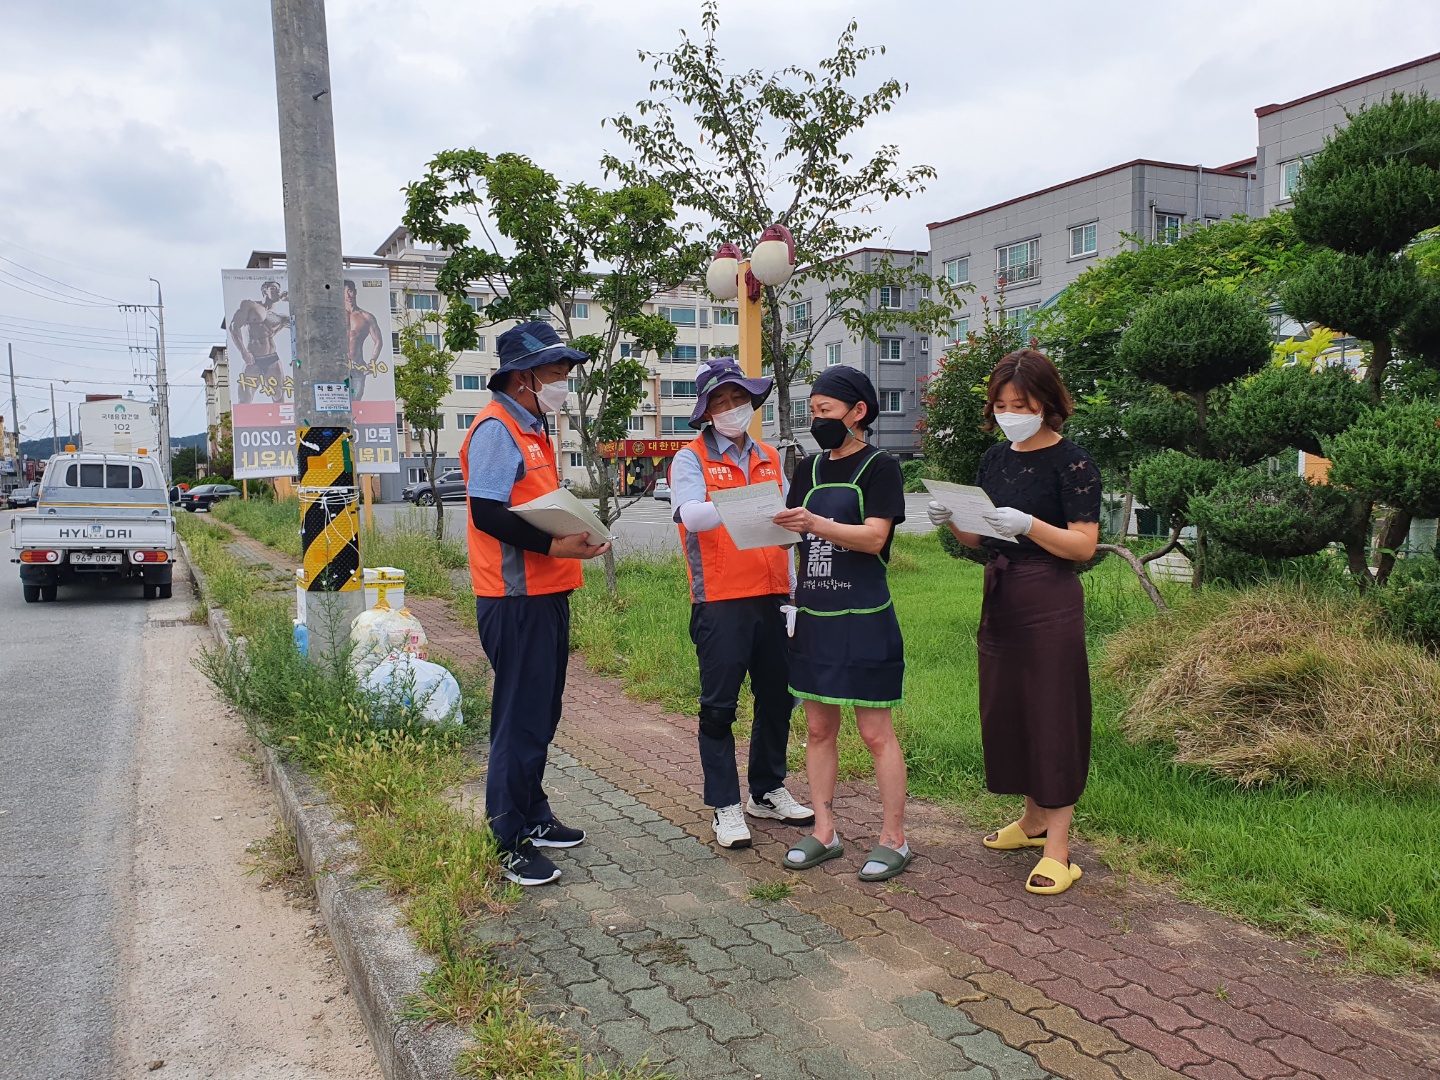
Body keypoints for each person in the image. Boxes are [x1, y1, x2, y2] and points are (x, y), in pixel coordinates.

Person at [927, 348, 1100, 895]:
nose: (1007, 413)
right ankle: (1030, 822)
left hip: (1048, 595)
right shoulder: (994, 460)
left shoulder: (1073, 462)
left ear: (1047, 403)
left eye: (1019, 403)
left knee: (1052, 711)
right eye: (1000, 404)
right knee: (1009, 707)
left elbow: (1082, 545)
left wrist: (1029, 523)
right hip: (999, 592)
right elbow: (981, 539)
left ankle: (1059, 848)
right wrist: (953, 521)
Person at [460, 321, 610, 887]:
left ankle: (534, 814)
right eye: (556, 373)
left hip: (546, 593)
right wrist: (555, 543)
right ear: (524, 377)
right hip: (514, 598)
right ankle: (508, 837)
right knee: (518, 720)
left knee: (540, 714)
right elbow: (487, 513)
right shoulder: (497, 428)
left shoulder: (532, 426)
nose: (563, 383)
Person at [772, 367, 912, 882]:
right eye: (813, 410)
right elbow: (793, 533)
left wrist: (816, 524)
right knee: (817, 727)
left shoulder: (882, 468)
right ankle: (825, 831)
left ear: (859, 412)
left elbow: (875, 538)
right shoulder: (806, 469)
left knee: (875, 732)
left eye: (825, 411)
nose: (817, 419)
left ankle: (893, 838)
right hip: (814, 615)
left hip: (865, 617)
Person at [669, 359, 815, 851]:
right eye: (721, 402)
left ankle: (766, 789)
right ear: (706, 412)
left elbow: (784, 531)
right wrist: (742, 505)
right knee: (719, 708)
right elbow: (690, 514)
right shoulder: (689, 459)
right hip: (721, 601)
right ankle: (725, 806)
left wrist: (793, 594)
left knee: (777, 698)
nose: (732, 409)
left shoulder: (770, 456)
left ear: (753, 402)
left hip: (772, 594)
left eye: (738, 399)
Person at [229, 281, 289, 404]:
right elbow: (234, 327)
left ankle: (281, 421)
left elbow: (302, 323)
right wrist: (244, 352)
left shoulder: (280, 317)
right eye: (273, 288)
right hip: (253, 359)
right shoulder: (250, 305)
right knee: (245, 398)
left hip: (272, 359)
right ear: (264, 291)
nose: (277, 291)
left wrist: (292, 300)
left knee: (279, 396)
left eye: (278, 289)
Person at [342, 279, 385, 399]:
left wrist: (372, 362)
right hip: (338, 366)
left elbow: (378, 341)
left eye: (350, 291)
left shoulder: (366, 317)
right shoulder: (333, 316)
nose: (347, 295)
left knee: (356, 400)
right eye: (344, 291)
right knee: (339, 402)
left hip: (357, 365)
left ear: (355, 292)